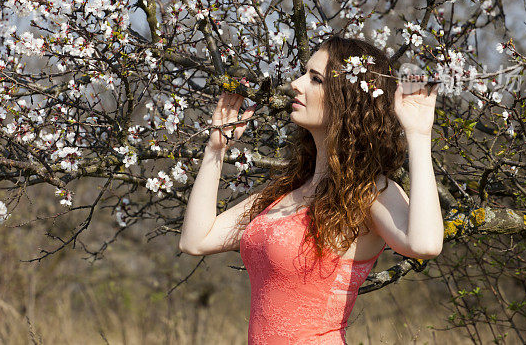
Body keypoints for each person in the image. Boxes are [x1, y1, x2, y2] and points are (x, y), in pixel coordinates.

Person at [178, 35, 443, 344]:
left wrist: (420, 134)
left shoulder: (370, 192)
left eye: (315, 79)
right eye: (304, 73)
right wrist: (215, 150)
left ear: (348, 98)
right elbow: (196, 240)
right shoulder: (287, 193)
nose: (296, 83)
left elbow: (425, 245)